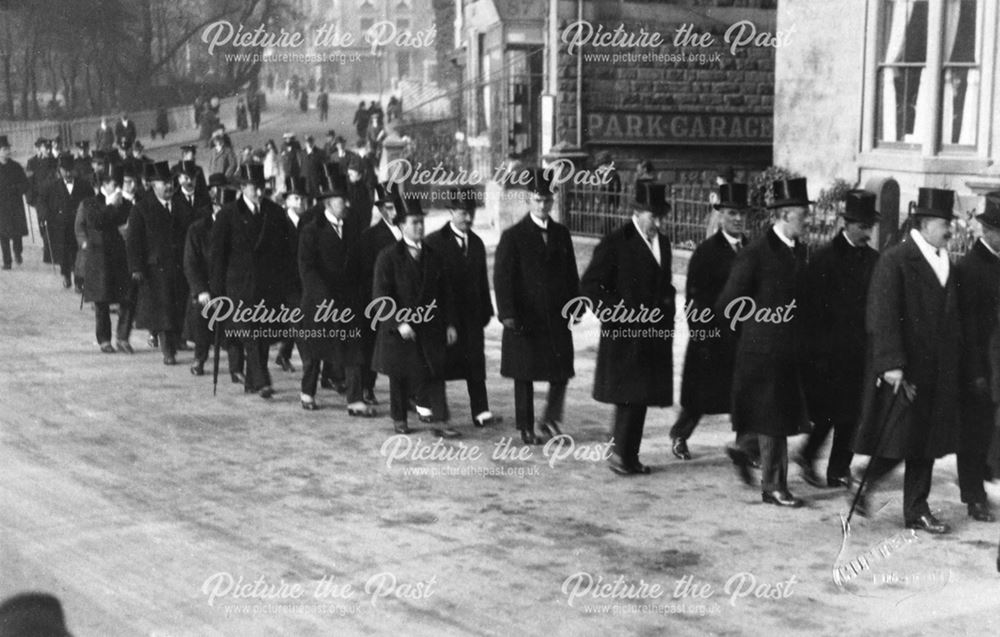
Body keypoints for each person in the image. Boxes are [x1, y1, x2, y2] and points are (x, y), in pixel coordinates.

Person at [852, 188, 961, 533]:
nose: (950, 230)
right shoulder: (897, 259)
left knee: (924, 441)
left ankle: (916, 509)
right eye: (946, 223)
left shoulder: (944, 260)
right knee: (901, 438)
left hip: (938, 368)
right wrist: (891, 363)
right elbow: (882, 314)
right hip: (907, 368)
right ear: (927, 223)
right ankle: (867, 478)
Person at [716, 177, 811, 507]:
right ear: (784, 215)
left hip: (790, 351)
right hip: (762, 352)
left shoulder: (799, 251)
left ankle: (745, 451)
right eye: (802, 214)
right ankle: (774, 487)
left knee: (775, 416)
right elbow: (727, 303)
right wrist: (754, 332)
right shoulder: (756, 253)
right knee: (775, 419)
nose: (807, 220)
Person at [582, 181, 675, 475]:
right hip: (625, 332)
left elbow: (665, 282)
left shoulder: (664, 243)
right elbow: (589, 286)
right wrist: (616, 313)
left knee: (642, 395)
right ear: (637, 212)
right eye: (653, 216)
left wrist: (668, 305)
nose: (658, 223)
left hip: (653, 333)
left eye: (662, 216)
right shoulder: (616, 242)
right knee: (628, 395)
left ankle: (629, 456)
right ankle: (620, 455)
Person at [794, 190, 880, 489]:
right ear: (847, 223)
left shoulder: (874, 259)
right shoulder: (824, 259)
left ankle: (838, 469)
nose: (867, 232)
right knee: (830, 413)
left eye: (870, 226)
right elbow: (807, 308)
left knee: (853, 414)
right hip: (827, 353)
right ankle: (808, 455)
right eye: (862, 226)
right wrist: (813, 352)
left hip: (860, 352)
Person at [494, 168, 580, 444]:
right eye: (537, 200)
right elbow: (502, 278)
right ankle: (526, 426)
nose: (543, 205)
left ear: (552, 202)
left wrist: (576, 306)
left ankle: (551, 419)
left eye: (547, 200)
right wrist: (507, 313)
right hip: (525, 317)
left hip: (555, 316)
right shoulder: (513, 236)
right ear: (528, 201)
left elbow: (570, 273)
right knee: (525, 373)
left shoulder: (561, 234)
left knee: (561, 370)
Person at [670, 183, 751, 461]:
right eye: (731, 213)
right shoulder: (706, 252)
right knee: (701, 397)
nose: (738, 219)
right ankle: (680, 435)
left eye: (741, 213)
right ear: (720, 215)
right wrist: (703, 336)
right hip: (712, 336)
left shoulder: (752, 249)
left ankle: (745, 446)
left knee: (745, 395)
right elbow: (694, 300)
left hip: (743, 337)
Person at [372, 190, 459, 437]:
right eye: (414, 222)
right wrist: (398, 322)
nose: (420, 226)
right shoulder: (388, 257)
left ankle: (441, 422)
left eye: (422, 221)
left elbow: (446, 294)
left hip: (430, 326)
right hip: (400, 329)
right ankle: (399, 418)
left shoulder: (434, 256)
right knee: (399, 375)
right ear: (401, 226)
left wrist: (451, 324)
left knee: (435, 372)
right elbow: (381, 296)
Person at [211, 164, 298, 399]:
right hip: (239, 286)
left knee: (261, 334)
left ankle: (252, 380)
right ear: (242, 188)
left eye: (262, 188)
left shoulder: (275, 212)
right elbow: (218, 255)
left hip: (268, 285)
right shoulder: (228, 214)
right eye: (254, 188)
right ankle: (262, 380)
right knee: (250, 334)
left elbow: (287, 250)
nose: (259, 192)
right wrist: (216, 290)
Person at [297, 166, 373, 415]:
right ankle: (307, 392)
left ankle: (354, 399)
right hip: (320, 303)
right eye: (342, 198)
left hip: (349, 301)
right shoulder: (312, 230)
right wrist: (323, 298)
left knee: (353, 350)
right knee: (315, 353)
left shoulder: (351, 227)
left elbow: (359, 261)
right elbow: (307, 269)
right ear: (329, 202)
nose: (346, 203)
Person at [425, 187, 500, 428]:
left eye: (471, 212)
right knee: (440, 364)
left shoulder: (477, 243)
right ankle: (432, 408)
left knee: (475, 362)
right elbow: (430, 287)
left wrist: (487, 311)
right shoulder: (434, 243)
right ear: (451, 212)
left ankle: (480, 410)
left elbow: (481, 281)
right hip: (445, 317)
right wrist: (445, 321)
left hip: (472, 317)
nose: (468, 218)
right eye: (462, 213)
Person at [953, 191, 1000, 523]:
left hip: (995, 365)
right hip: (979, 366)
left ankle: (983, 478)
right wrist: (975, 372)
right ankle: (974, 497)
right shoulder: (971, 268)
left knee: (987, 430)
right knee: (973, 431)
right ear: (989, 232)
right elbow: (966, 327)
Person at [127, 161, 196, 365]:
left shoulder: (181, 205)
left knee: (177, 306)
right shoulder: (141, 209)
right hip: (155, 268)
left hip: (179, 266)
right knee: (163, 309)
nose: (168, 186)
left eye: (170, 182)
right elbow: (133, 241)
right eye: (163, 183)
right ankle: (168, 350)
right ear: (152, 185)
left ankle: (175, 341)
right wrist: (136, 267)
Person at [184, 174, 244, 378]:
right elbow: (191, 263)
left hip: (232, 287)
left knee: (235, 328)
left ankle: (236, 368)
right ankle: (199, 359)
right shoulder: (198, 230)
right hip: (206, 289)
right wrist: (200, 290)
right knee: (203, 326)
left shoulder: (240, 230)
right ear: (215, 208)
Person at [79, 166, 134, 353]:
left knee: (127, 298)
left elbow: (127, 220)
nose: (118, 189)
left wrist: (120, 207)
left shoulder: (125, 203)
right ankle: (104, 339)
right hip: (99, 259)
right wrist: (111, 206)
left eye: (120, 184)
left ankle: (123, 337)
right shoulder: (91, 203)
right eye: (114, 184)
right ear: (104, 184)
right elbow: (98, 222)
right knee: (102, 301)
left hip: (120, 257)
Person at [358, 184, 403, 404]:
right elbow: (365, 274)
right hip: (377, 302)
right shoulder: (370, 236)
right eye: (388, 207)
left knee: (405, 348)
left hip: (404, 302)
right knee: (372, 346)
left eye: (396, 206)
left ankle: (409, 394)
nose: (394, 212)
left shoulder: (408, 231)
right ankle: (367, 386)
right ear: (381, 209)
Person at [43, 154, 94, 289]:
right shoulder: (53, 187)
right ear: (59, 170)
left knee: (79, 253)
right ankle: (66, 275)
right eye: (64, 170)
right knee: (65, 253)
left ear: (75, 169)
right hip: (61, 225)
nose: (68, 172)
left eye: (70, 169)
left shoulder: (84, 185)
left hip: (79, 225)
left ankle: (79, 281)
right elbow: (46, 204)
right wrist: (46, 218)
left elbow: (91, 202)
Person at [0, 135, 29, 270]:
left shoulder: (16, 166)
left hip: (15, 204)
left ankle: (18, 252)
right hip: (1, 206)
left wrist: (17, 189)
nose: (8, 151)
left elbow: (25, 184)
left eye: (8, 148)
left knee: (17, 232)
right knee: (2, 234)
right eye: (5, 149)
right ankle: (7, 261)